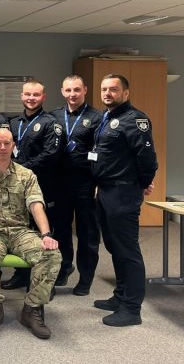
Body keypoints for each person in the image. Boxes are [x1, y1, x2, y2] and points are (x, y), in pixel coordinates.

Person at [0, 128, 61, 339]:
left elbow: (36, 205)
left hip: (21, 232)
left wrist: (46, 234)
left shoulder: (26, 174)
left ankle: (32, 308)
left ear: (13, 145)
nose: (2, 147)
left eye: (7, 143)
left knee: (51, 254)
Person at [91, 74, 157, 327]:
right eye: (104, 89)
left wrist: (141, 184)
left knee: (127, 250)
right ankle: (120, 296)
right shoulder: (107, 118)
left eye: (113, 89)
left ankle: (131, 308)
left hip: (123, 192)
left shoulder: (135, 119)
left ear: (126, 93)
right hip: (106, 191)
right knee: (114, 247)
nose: (107, 93)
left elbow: (147, 158)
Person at [3, 80, 62, 291]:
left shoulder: (51, 123)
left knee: (44, 232)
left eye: (36, 95)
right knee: (22, 230)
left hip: (42, 185)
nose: (31, 98)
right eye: (27, 94)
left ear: (43, 97)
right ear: (21, 96)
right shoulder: (13, 123)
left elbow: (50, 155)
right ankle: (21, 275)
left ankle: (46, 284)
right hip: (17, 187)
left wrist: (22, 168)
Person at [50, 76, 102, 295]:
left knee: (87, 233)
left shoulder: (97, 117)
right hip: (60, 182)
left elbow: (102, 150)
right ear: (62, 91)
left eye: (77, 90)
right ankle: (64, 268)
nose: (73, 94)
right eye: (69, 90)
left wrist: (99, 182)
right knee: (60, 229)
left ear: (85, 90)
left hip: (85, 182)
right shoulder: (53, 116)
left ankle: (85, 278)